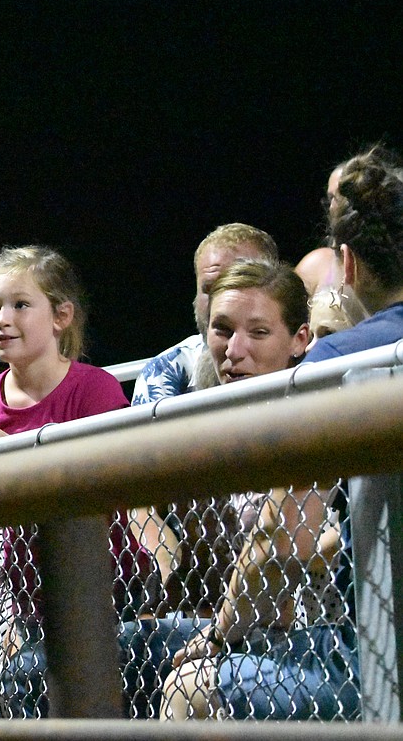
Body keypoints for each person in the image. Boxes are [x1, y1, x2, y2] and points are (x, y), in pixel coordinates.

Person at [161, 145, 403, 720]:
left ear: (346, 263)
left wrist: (218, 637)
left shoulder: (341, 361)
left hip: (373, 656)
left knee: (188, 685)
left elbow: (283, 538)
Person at [0, 245, 150, 717]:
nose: (2, 318)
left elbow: (106, 475)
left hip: (110, 588)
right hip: (30, 596)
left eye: (20, 304)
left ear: (61, 315)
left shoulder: (93, 387)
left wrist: (10, 446)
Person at [119, 259, 312, 717]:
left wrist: (220, 630)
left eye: (259, 333)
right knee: (76, 655)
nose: (234, 350)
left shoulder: (318, 418)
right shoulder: (206, 427)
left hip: (309, 636)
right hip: (234, 624)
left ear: (300, 340)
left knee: (188, 688)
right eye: (221, 329)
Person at [131, 224, 279, 406]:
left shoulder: (308, 353)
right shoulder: (164, 371)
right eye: (210, 288)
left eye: (238, 284)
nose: (221, 301)